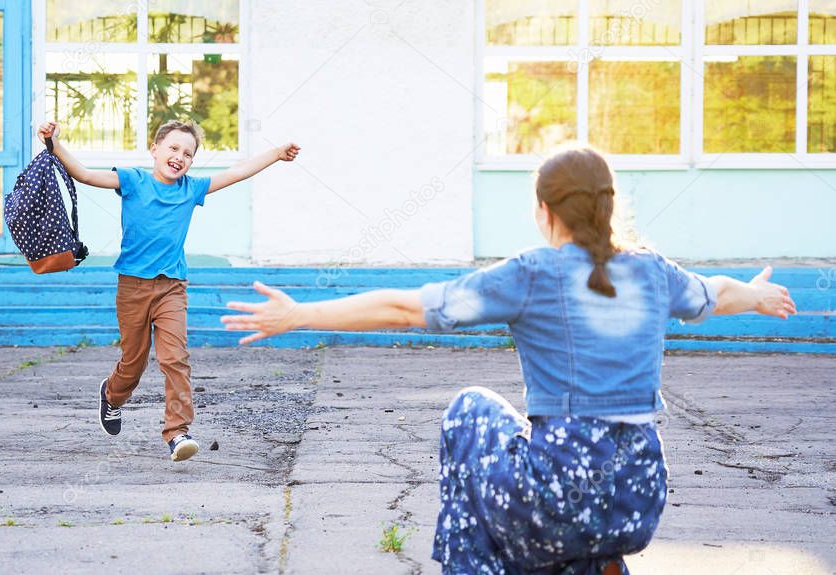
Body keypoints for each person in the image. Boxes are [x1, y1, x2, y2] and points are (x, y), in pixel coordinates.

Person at [219, 146, 795, 573]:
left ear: (545, 211)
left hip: (560, 491)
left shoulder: (533, 273)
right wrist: (758, 294)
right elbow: (716, 294)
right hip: (637, 500)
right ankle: (595, 564)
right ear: (608, 206)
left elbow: (402, 309)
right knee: (552, 528)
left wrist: (300, 315)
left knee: (471, 412)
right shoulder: (652, 270)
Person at [37, 119, 299, 462]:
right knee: (133, 362)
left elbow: (238, 172)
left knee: (175, 359)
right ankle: (112, 396)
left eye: (188, 154)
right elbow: (85, 175)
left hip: (171, 288)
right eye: (173, 148)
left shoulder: (191, 189)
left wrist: (277, 153)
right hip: (131, 287)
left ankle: (178, 433)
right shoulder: (133, 180)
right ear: (155, 149)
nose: (179, 157)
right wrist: (54, 143)